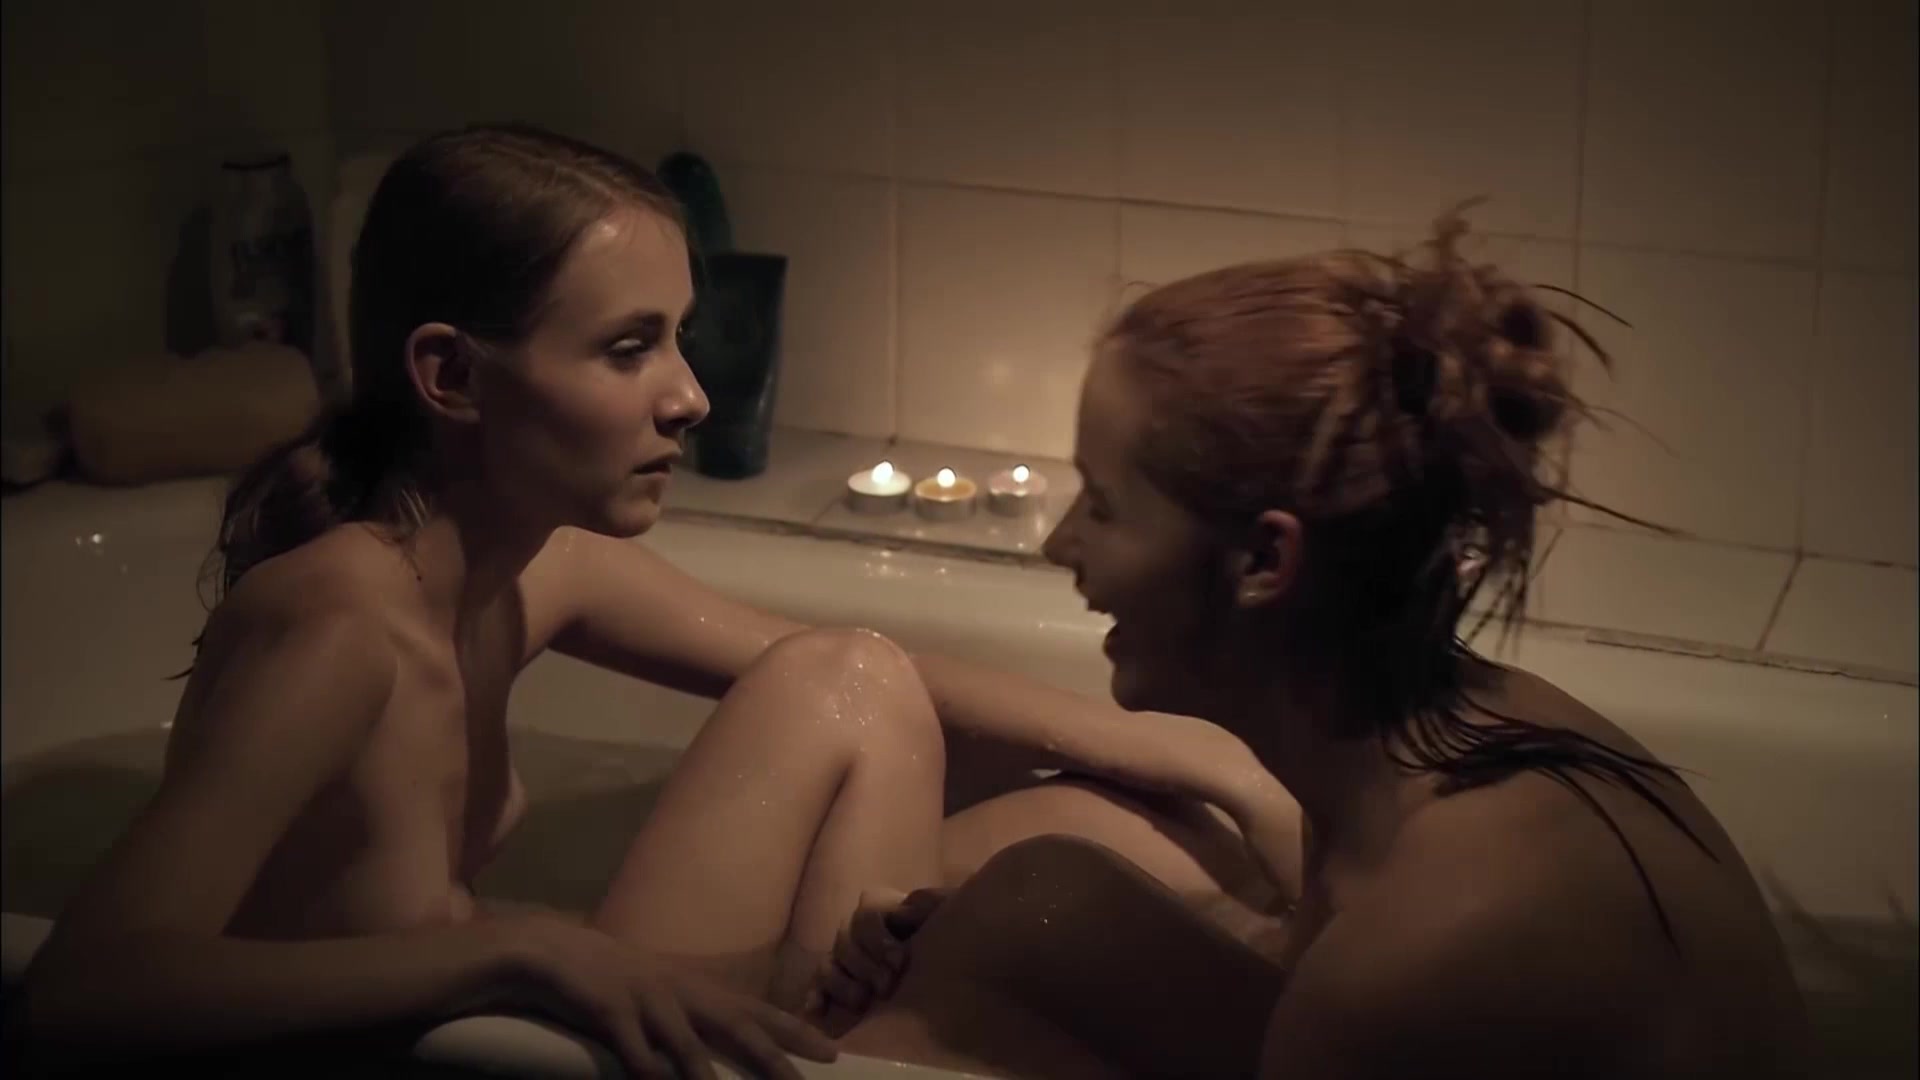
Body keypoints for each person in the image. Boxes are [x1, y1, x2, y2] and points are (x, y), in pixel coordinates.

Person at [7, 124, 1289, 1079]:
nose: (689, 395)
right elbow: (80, 997)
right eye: (629, 348)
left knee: (1093, 827)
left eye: (677, 336)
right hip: (453, 1054)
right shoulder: (335, 629)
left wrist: (1204, 758)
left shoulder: (525, 564)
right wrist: (519, 948)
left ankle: (878, 1043)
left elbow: (852, 668)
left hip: (503, 1037)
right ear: (452, 375)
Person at [818, 214, 1816, 1079]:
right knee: (1032, 901)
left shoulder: (1425, 946)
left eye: (1106, 507)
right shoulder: (1450, 737)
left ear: (1265, 559)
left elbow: (1370, 1002)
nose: (1060, 544)